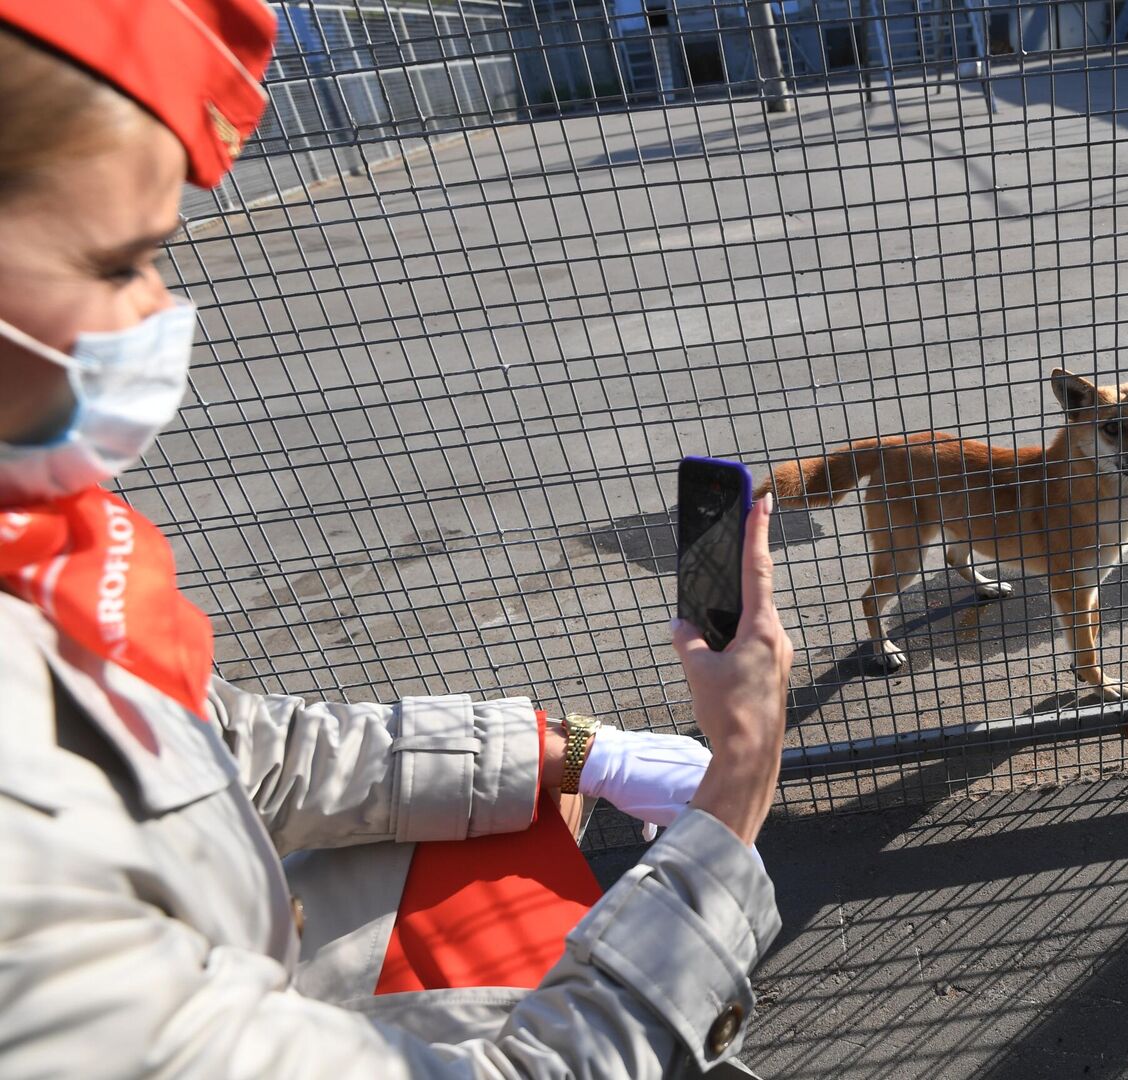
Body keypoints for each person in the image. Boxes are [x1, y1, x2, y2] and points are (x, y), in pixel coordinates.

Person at [0, 2, 794, 1075]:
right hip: (270, 988)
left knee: (534, 811)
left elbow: (232, 753)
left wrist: (569, 748)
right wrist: (735, 793)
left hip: (243, 940)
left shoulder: (52, 568)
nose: (158, 307)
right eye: (116, 261)